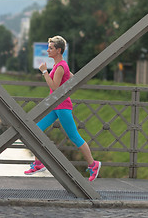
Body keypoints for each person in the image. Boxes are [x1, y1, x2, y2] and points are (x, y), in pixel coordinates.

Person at [24, 35, 101, 181]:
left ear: (58, 50)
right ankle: (38, 163)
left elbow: (54, 87)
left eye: (51, 48)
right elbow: (72, 79)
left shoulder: (60, 67)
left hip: (62, 106)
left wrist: (44, 72)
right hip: (56, 106)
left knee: (74, 137)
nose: (47, 50)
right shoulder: (61, 66)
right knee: (35, 129)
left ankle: (93, 164)